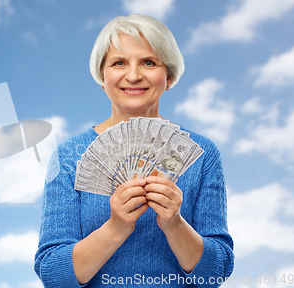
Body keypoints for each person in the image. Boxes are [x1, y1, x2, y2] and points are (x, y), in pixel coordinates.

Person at [34, 14, 234, 287]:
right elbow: (54, 275)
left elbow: (215, 274)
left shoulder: (201, 155)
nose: (134, 75)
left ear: (170, 76)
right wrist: (115, 228)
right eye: (119, 63)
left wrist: (174, 224)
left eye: (149, 62)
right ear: (102, 77)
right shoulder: (69, 156)